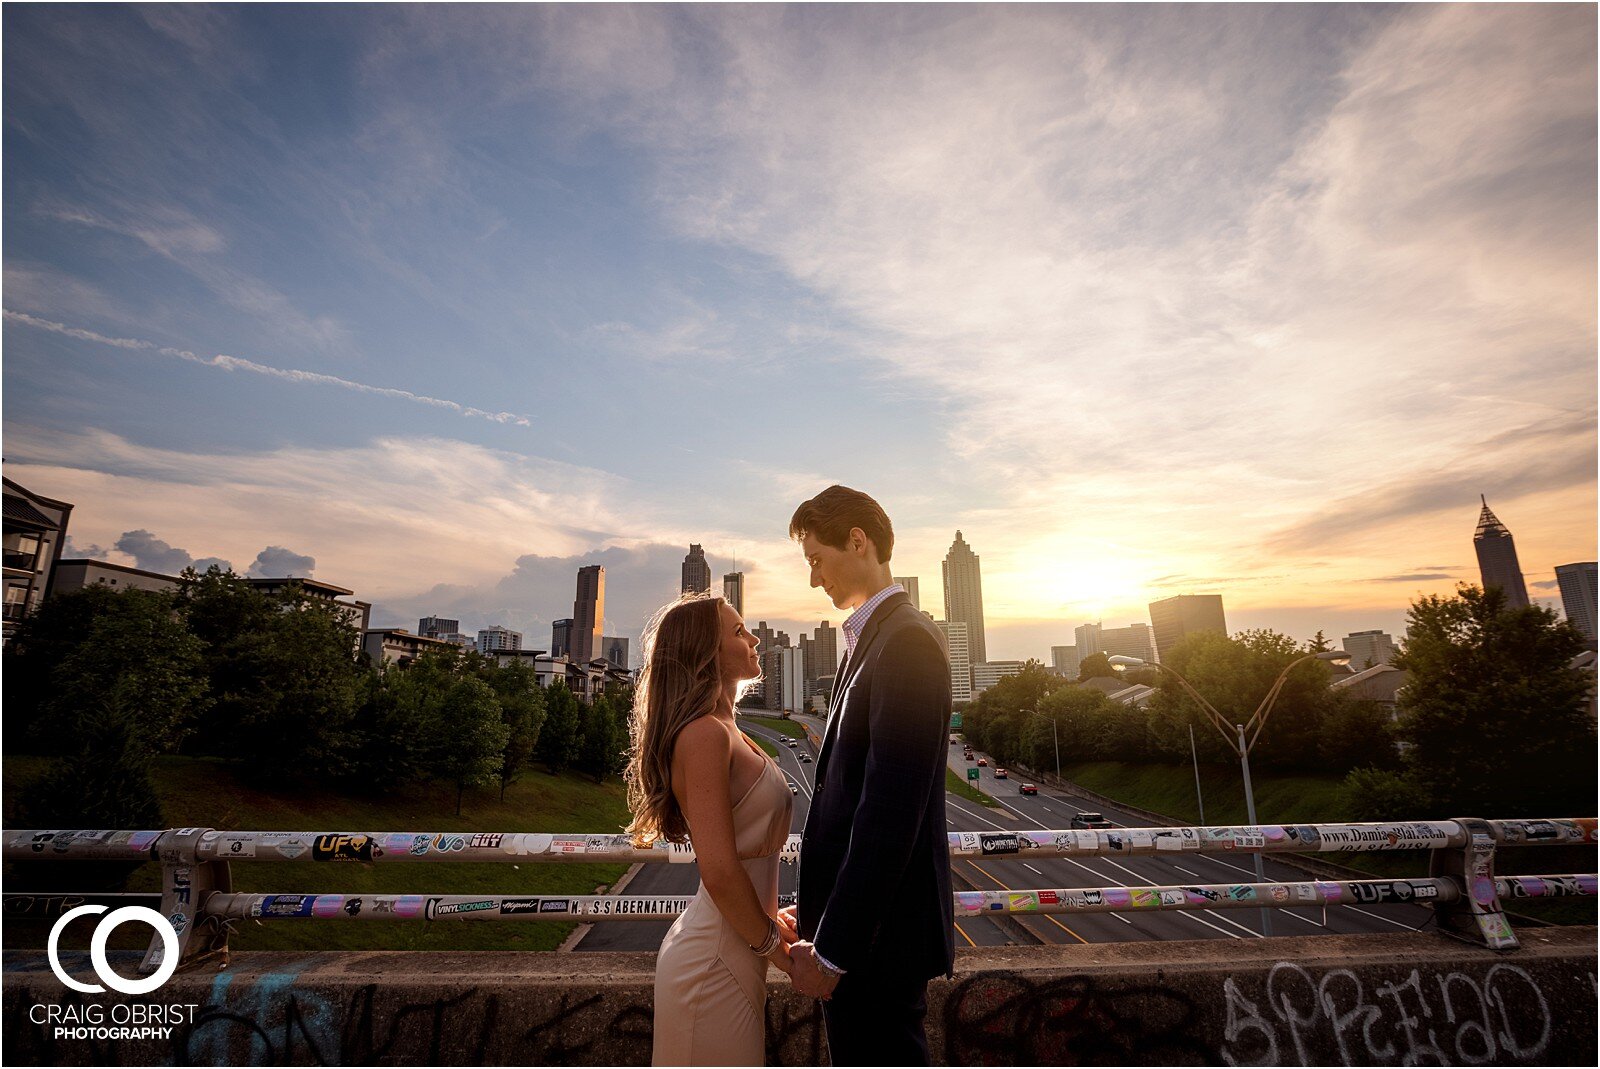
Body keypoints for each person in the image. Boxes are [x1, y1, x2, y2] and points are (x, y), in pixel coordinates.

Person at [779, 485, 955, 1065]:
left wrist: (833, 953)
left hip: (877, 949)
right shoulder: (870, 640)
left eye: (815, 561)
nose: (813, 580)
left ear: (858, 542)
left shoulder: (906, 643)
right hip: (861, 941)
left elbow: (887, 816)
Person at [627, 593, 796, 1066]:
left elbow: (747, 855)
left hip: (741, 950)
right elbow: (720, 870)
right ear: (707, 652)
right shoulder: (704, 735)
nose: (755, 638)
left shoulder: (731, 730)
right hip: (714, 961)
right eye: (739, 631)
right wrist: (776, 950)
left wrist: (770, 921)